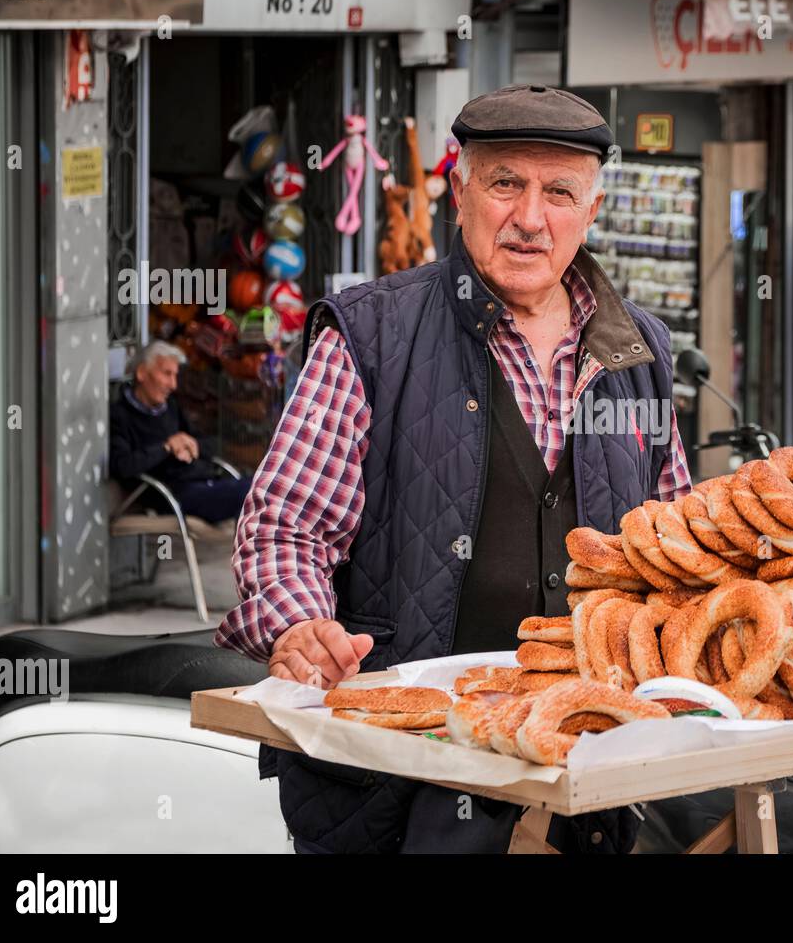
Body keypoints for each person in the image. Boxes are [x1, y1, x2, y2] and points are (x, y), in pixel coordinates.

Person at [216, 85, 691, 854]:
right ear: (460, 192)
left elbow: (673, 555)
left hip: (584, 777)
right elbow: (286, 528)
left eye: (559, 192)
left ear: (591, 214)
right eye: (506, 183)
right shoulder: (375, 335)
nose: (531, 218)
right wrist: (303, 627)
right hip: (397, 788)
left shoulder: (639, 355)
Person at [109, 340, 251, 525]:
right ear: (142, 373)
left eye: (175, 375)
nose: (173, 385)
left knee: (265, 482)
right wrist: (167, 447)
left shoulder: (170, 408)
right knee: (252, 492)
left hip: (202, 480)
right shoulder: (120, 415)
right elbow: (123, 466)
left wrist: (191, 445)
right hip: (172, 493)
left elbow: (210, 444)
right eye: (167, 374)